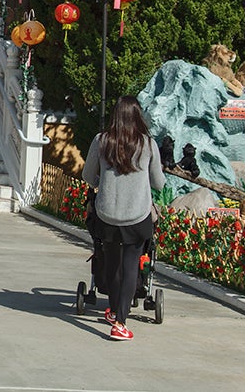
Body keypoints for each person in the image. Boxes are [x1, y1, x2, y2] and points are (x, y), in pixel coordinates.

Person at [82, 96, 165, 341]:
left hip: (106, 214)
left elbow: (88, 175)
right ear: (138, 116)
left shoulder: (101, 141)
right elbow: (159, 183)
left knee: (111, 263)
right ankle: (120, 321)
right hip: (137, 216)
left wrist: (103, 184)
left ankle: (115, 309)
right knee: (131, 266)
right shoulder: (148, 145)